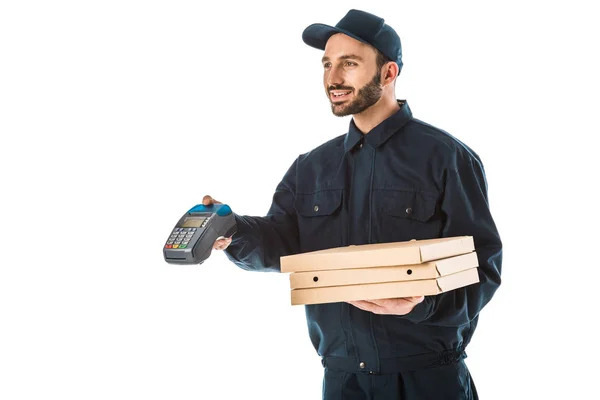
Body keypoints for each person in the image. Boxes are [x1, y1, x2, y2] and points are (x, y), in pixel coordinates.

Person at [204, 9, 502, 400]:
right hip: (344, 382)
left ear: (388, 73)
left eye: (349, 63)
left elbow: (482, 269)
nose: (333, 78)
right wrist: (233, 232)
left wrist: (421, 304)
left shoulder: (445, 158)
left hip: (428, 380)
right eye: (327, 64)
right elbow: (283, 242)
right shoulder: (311, 167)